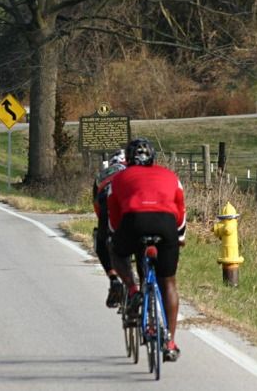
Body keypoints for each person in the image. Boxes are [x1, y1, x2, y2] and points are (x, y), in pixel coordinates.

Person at [107, 137, 186, 362]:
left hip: (134, 221)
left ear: (128, 160)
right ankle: (169, 342)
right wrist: (179, 236)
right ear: (153, 158)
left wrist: (116, 237)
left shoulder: (119, 177)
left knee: (117, 252)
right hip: (166, 224)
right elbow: (180, 210)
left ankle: (133, 290)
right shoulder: (171, 176)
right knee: (168, 281)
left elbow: (114, 215)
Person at [92, 149, 127, 308]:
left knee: (102, 242)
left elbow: (97, 206)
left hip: (107, 206)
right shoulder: (135, 171)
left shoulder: (102, 175)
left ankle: (113, 278)